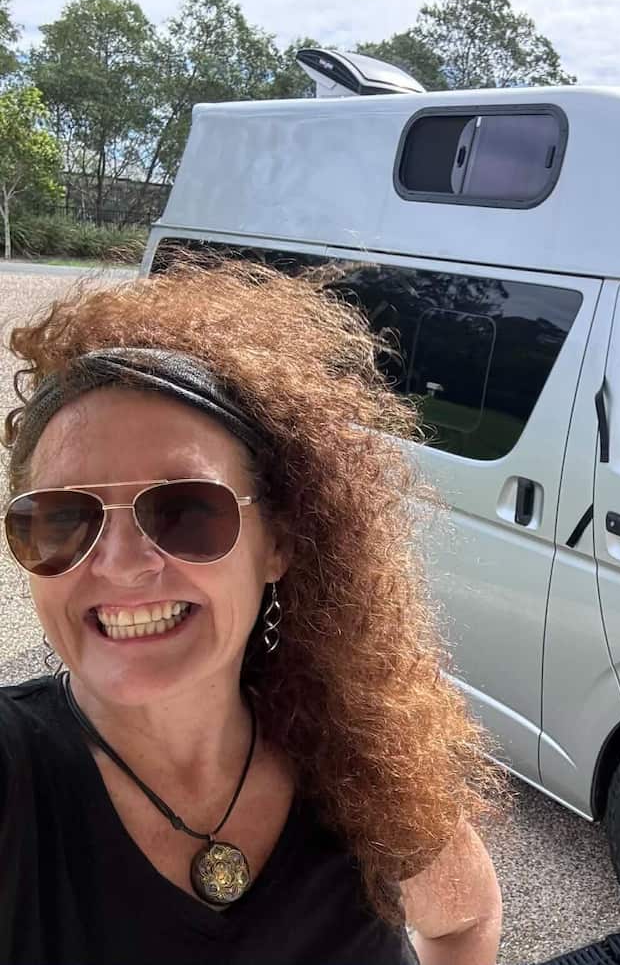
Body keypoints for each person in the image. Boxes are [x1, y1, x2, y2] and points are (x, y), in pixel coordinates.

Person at [0, 262, 502, 964]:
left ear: (278, 544)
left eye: (184, 510)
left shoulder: (360, 758)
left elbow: (464, 922)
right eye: (61, 518)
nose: (119, 564)